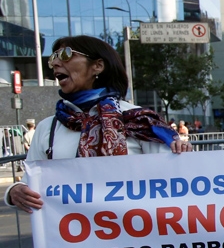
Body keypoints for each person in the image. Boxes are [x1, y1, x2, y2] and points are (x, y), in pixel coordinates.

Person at [4, 35, 189, 213]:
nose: (55, 63)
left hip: (135, 233)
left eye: (66, 55)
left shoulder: (139, 120)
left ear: (98, 66)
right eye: (53, 57)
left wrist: (182, 155)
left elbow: (174, 180)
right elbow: (29, 182)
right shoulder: (47, 128)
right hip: (73, 238)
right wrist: (15, 191)